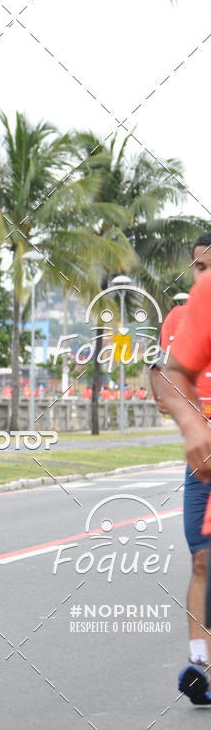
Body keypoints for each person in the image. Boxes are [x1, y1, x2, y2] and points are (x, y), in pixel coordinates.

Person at [155, 233, 211, 704]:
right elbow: (168, 377)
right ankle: (201, 663)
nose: (203, 276)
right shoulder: (187, 313)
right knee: (202, 559)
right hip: (205, 465)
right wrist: (193, 427)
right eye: (198, 267)